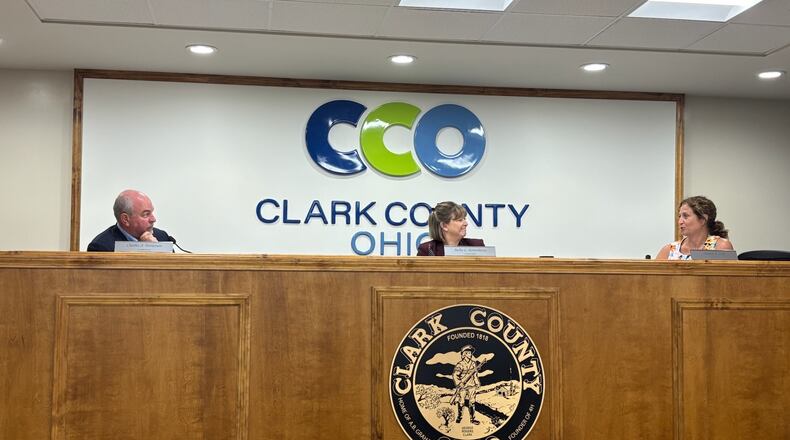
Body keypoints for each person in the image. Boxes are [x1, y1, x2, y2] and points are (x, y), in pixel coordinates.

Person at [87, 189, 172, 252]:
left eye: (152, 212)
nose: (153, 219)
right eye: (146, 214)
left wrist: (157, 250)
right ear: (125, 219)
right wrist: (144, 250)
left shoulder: (162, 237)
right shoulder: (102, 247)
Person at [656, 195, 733, 260]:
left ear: (703, 219)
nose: (680, 222)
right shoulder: (668, 250)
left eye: (685, 216)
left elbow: (730, 277)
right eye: (679, 216)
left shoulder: (721, 247)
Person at [417, 201, 484, 256]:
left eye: (464, 219)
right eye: (460, 220)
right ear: (444, 226)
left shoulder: (477, 246)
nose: (466, 223)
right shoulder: (428, 250)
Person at [451, 345, 481, 425]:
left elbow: (475, 375)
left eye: (470, 353)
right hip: (463, 387)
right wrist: (458, 383)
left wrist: (477, 382)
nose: (470, 354)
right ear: (464, 354)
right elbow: (455, 375)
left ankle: (472, 419)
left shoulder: (473, 364)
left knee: (472, 402)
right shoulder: (460, 364)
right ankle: (459, 417)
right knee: (461, 402)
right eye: (468, 353)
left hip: (471, 386)